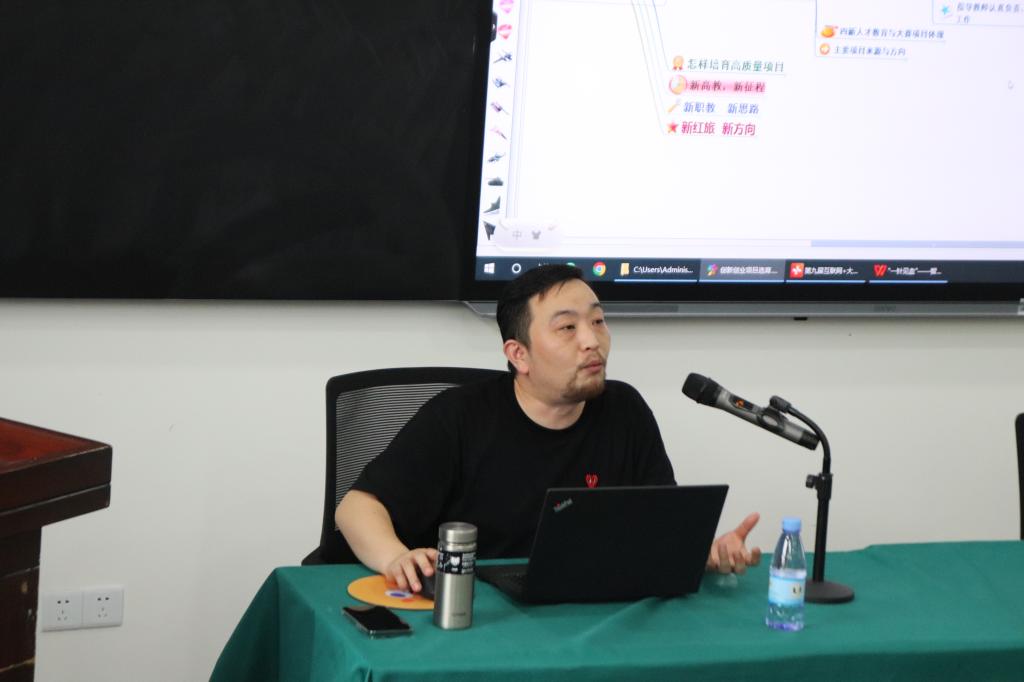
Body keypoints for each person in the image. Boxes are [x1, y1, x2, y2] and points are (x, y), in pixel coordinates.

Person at [336, 264, 761, 594]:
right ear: (518, 354)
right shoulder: (458, 416)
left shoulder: (625, 410)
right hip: (471, 608)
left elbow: (659, 528)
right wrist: (395, 557)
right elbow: (356, 508)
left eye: (598, 321)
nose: (592, 341)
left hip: (575, 603)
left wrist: (703, 551)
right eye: (567, 328)